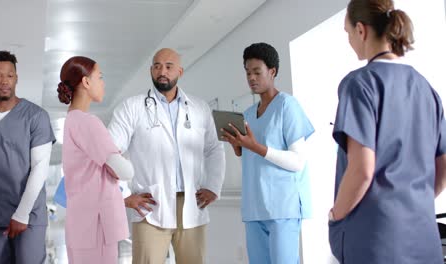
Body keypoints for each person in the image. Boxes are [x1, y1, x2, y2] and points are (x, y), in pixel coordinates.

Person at [328, 0, 446, 263]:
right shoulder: (427, 90)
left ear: (361, 30)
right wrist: (414, 202)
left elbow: (362, 169)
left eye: (348, 33)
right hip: (424, 240)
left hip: (377, 240)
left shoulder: (359, 84)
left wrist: (336, 215)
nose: (349, 41)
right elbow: (443, 166)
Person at [108, 48, 226, 264]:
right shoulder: (131, 107)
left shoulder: (199, 108)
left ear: (180, 71)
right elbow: (109, 153)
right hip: (150, 206)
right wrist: (123, 196)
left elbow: (214, 149)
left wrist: (213, 187)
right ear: (151, 70)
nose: (162, 71)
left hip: (192, 203)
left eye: (169, 66)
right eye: (157, 66)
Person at [222, 42, 314, 264]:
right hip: (255, 207)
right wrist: (238, 145)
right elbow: (249, 155)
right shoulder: (248, 113)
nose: (251, 78)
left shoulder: (287, 106)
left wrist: (254, 146)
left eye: (257, 72)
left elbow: (297, 161)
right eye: (247, 73)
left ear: (272, 72)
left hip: (283, 206)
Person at [0, 50, 55, 263]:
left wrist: (22, 214)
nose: (4, 81)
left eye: (9, 75)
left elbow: (40, 168)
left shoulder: (36, 116)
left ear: (16, 78)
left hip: (29, 215)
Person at [57, 56, 134, 263]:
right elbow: (126, 172)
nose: (103, 82)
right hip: (97, 224)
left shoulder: (71, 120)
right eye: (99, 77)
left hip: (82, 224)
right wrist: (124, 158)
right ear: (86, 82)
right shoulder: (87, 122)